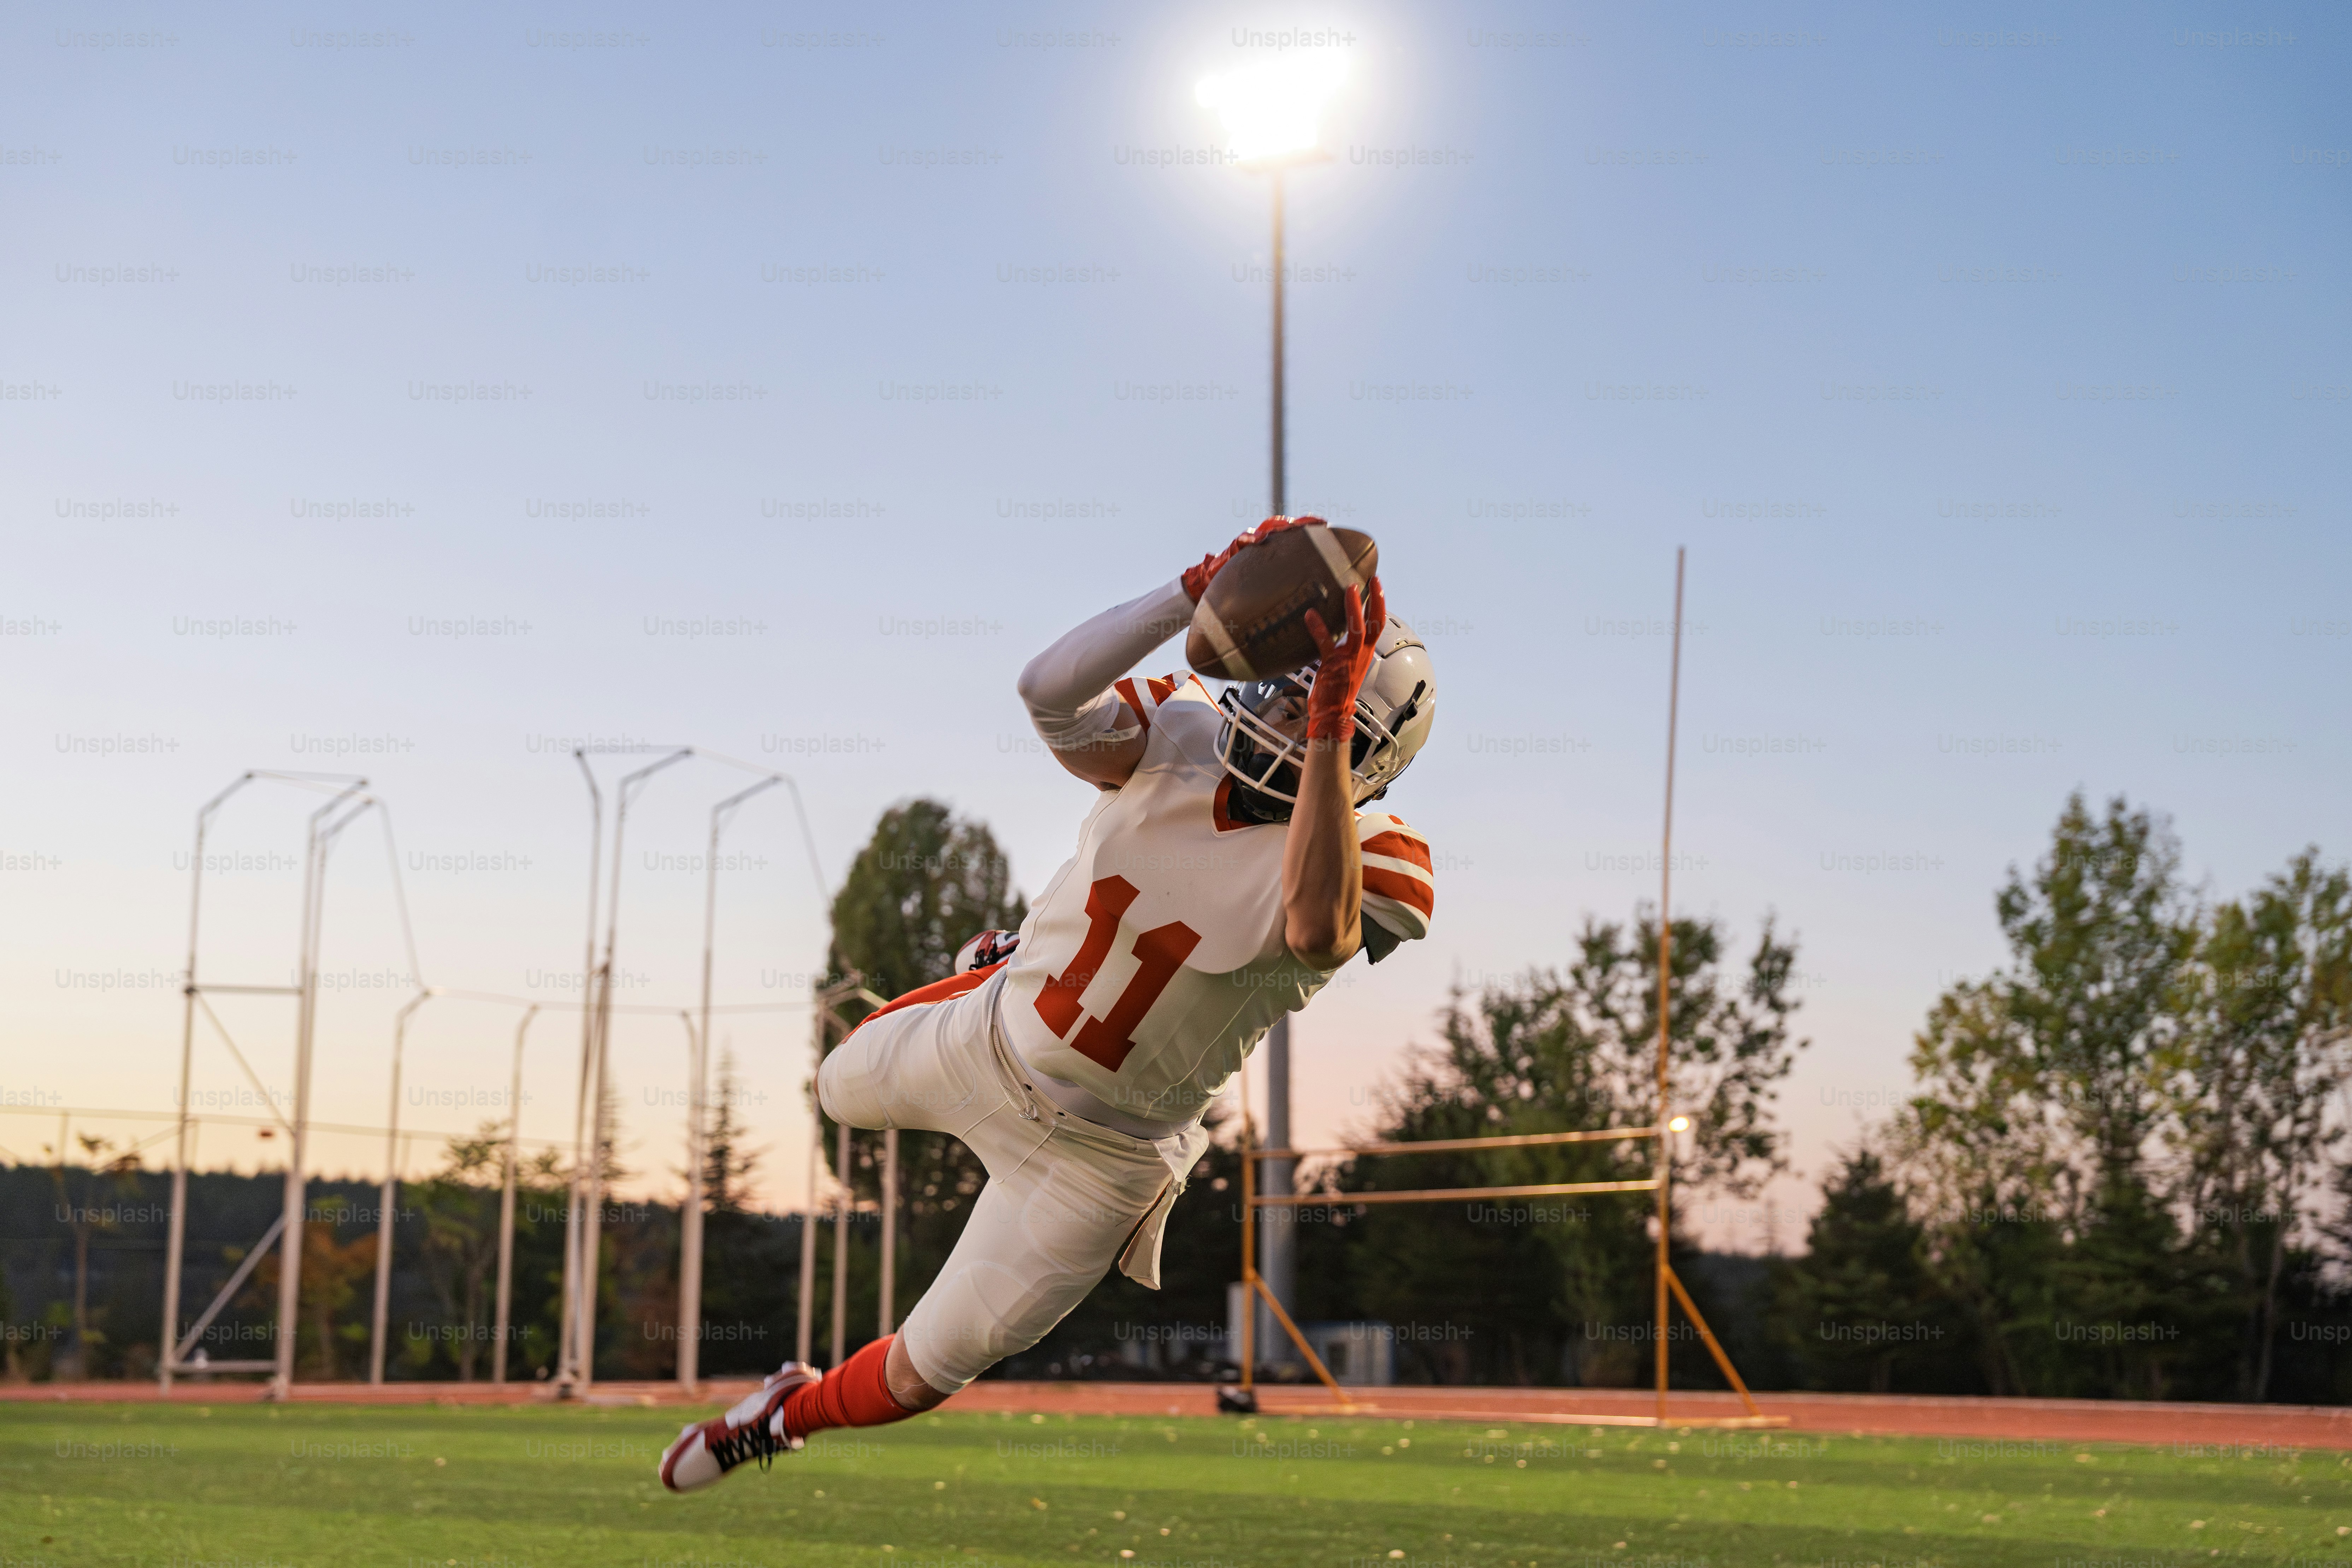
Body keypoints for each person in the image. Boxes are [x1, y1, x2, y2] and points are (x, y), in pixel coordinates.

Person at [661, 517, 1438, 1492]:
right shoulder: (1182, 730)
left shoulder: (1384, 858)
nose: (1286, 723)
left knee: (929, 1369)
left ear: (1372, 757)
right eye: (1284, 698)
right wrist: (1188, 592)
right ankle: (1010, 963)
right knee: (835, 1087)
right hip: (990, 1038)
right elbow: (1047, 693)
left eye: (1320, 714)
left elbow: (1315, 927)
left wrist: (1326, 725)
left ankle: (780, 1416)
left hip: (1099, 1159)